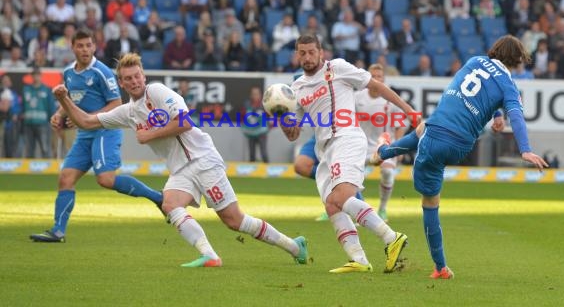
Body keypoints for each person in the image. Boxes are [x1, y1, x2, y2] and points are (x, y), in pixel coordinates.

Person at [51, 52, 308, 268]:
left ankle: (294, 246)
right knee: (170, 203)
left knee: (234, 220)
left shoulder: (158, 91)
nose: (134, 81)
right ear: (121, 82)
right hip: (181, 169)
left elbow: (185, 122)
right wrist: (63, 99)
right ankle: (209, 254)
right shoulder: (128, 112)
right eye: (127, 78)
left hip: (203, 159)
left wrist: (149, 134)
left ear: (144, 76)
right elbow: (86, 121)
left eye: (137, 76)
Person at [373, 35, 549, 279]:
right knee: (424, 129)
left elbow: (476, 89)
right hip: (462, 146)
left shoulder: (475, 61)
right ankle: (383, 153)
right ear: (517, 60)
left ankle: (440, 267)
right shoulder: (508, 85)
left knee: (429, 202)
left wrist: (510, 130)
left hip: (437, 140)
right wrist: (524, 147)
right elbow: (516, 116)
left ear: (495, 50)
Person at [282, 34, 418, 273]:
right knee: (332, 206)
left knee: (341, 197)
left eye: (311, 52)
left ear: (321, 52)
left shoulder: (338, 68)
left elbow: (376, 86)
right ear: (297, 55)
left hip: (346, 138)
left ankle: (391, 237)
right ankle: (359, 260)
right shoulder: (296, 89)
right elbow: (293, 134)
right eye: (302, 53)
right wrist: (282, 118)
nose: (307, 57)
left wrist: (408, 110)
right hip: (324, 150)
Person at [30, 29, 164, 243]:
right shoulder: (68, 73)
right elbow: (70, 101)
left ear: (94, 47)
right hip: (85, 134)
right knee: (65, 178)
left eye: (88, 45)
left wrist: (87, 118)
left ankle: (158, 197)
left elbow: (116, 104)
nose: (84, 49)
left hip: (105, 131)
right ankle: (58, 231)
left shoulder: (102, 72)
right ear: (73, 47)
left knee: (106, 180)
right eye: (80, 45)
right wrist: (59, 113)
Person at [355, 63, 406, 222]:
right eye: (373, 77)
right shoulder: (357, 97)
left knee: (388, 173)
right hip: (361, 145)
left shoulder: (390, 99)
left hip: (384, 145)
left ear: (383, 79)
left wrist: (397, 147)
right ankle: (360, 209)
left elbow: (400, 125)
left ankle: (383, 208)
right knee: (351, 177)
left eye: (379, 77)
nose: (376, 80)